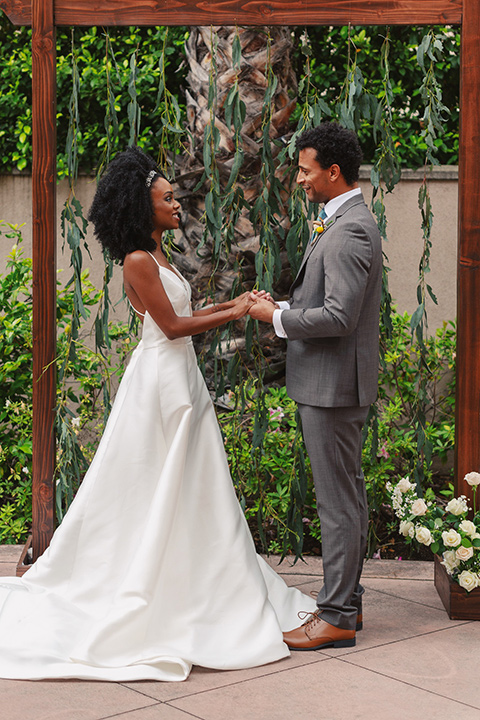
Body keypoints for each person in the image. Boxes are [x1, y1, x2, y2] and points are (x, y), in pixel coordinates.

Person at [0, 146, 316, 682]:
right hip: (160, 379)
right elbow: (170, 328)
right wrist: (235, 312)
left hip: (178, 377)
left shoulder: (158, 254)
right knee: (156, 480)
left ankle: (197, 572)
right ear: (141, 207)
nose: (177, 203)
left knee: (189, 481)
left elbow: (184, 313)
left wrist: (236, 302)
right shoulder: (138, 262)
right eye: (167, 198)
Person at [249, 122, 382, 650]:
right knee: (346, 495)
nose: (300, 180)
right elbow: (325, 304)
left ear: (333, 172)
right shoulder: (341, 220)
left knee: (337, 502)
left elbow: (340, 317)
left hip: (333, 389)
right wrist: (278, 308)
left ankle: (337, 616)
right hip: (331, 384)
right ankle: (347, 603)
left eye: (306, 171)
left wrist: (277, 321)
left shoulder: (349, 229)